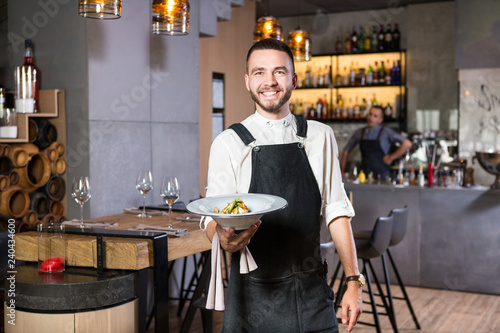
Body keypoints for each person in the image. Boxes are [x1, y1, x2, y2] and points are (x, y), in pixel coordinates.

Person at [204, 38, 362, 333]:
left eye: (279, 72)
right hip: (252, 298)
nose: (270, 81)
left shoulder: (320, 136)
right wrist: (223, 238)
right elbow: (212, 215)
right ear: (248, 81)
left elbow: (337, 211)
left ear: (294, 79)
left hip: (312, 291)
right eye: (260, 72)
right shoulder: (229, 143)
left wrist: (354, 281)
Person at [340, 105, 412, 180]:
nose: (371, 118)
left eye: (375, 116)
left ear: (380, 120)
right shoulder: (359, 133)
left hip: (383, 176)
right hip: (364, 176)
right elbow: (346, 150)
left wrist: (391, 157)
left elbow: (407, 144)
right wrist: (341, 171)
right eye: (370, 114)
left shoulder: (386, 132)